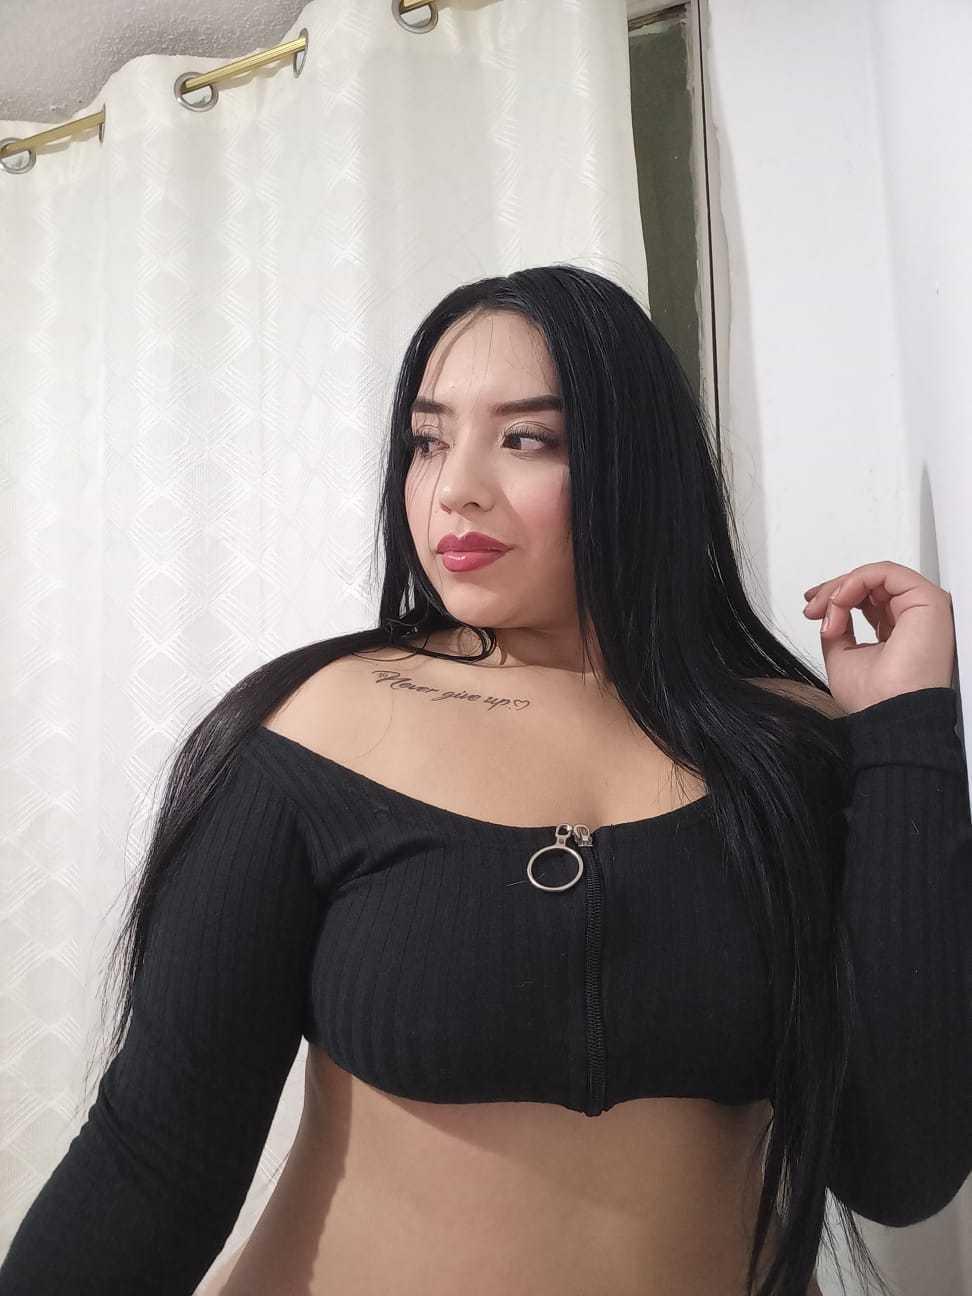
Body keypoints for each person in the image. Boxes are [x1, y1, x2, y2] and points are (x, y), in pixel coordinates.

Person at [2, 265, 969, 1296]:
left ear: (637, 462)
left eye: (527, 438)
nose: (456, 486)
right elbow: (153, 1164)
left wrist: (905, 730)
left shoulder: (790, 748)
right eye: (428, 441)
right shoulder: (313, 730)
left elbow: (901, 1166)